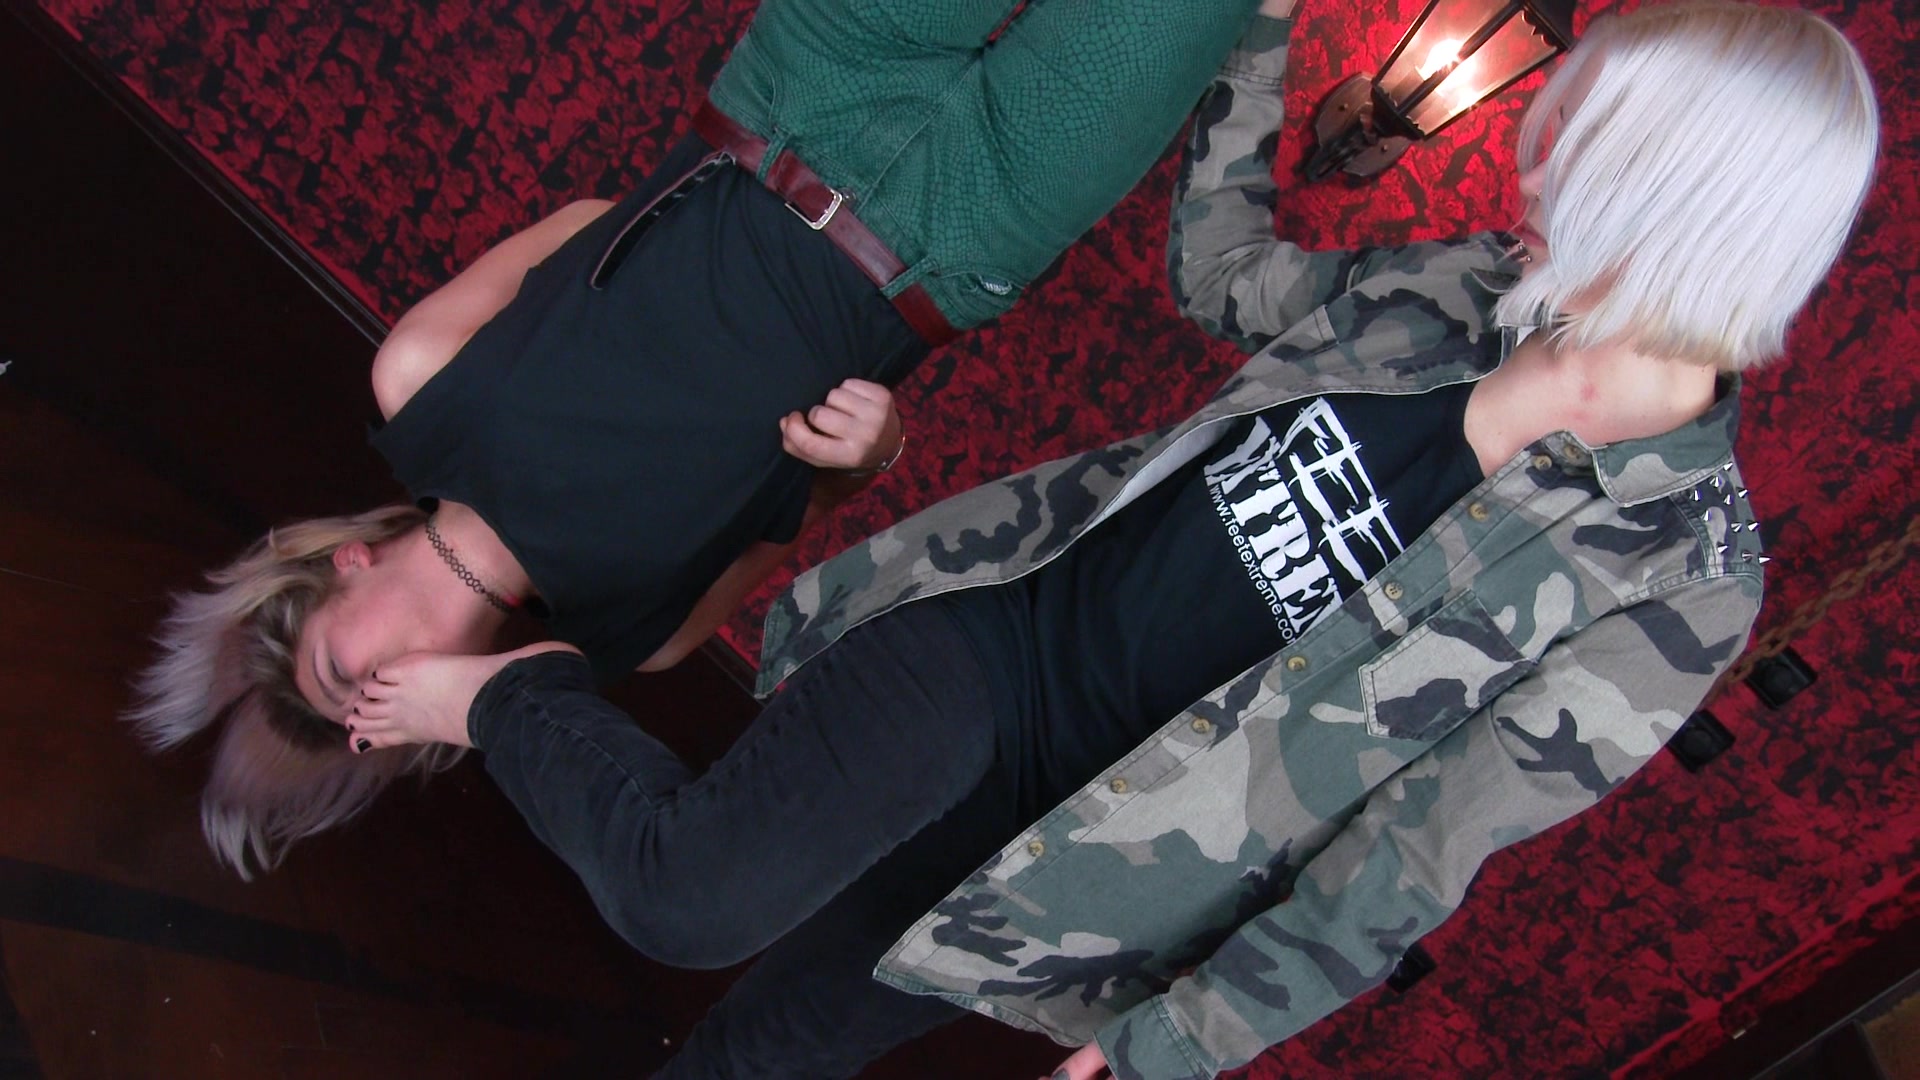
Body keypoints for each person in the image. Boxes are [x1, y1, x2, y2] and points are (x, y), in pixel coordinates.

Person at [324, 1, 1880, 1077]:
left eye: (1590, 127)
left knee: (780, 1048)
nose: (1545, 136)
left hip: (1093, 858)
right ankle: (504, 690)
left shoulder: (1682, 574)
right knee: (691, 897)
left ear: (1679, 189)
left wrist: (1176, 1049)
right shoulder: (1472, 287)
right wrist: (1259, 36)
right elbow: (1225, 273)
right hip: (1005, 639)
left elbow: (1422, 848)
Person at [124, 0, 1272, 878]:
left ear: (344, 565)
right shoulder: (642, 634)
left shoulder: (418, 380)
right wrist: (871, 453)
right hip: (962, 233)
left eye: (341, 672)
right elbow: (814, 497)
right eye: (368, 722)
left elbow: (590, 225)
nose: (379, 691)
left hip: (811, 80)